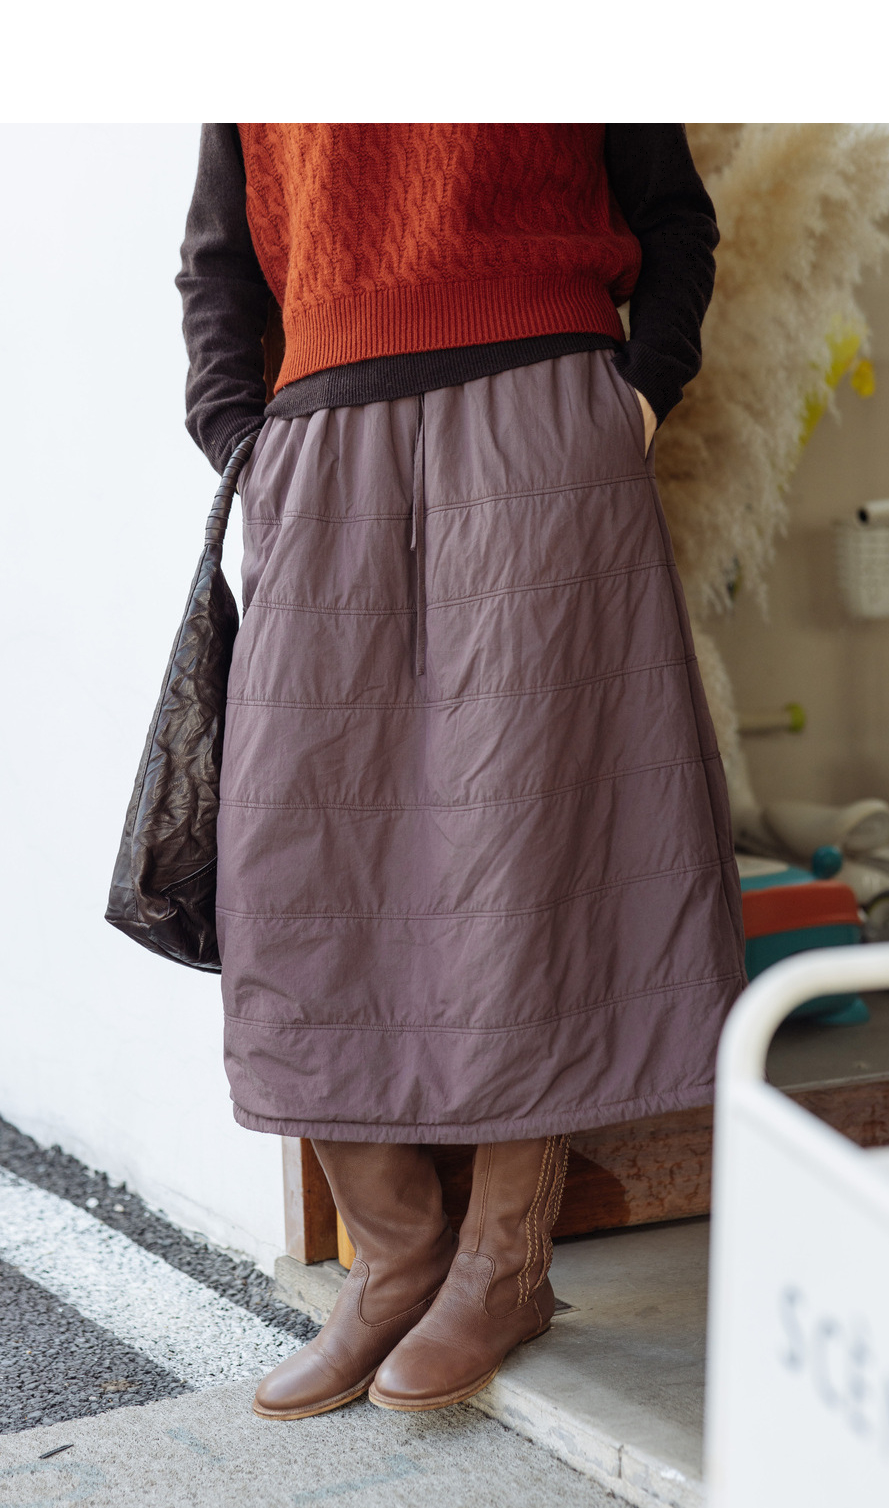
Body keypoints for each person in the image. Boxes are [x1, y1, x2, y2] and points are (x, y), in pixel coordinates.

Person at [176, 123, 746, 1420]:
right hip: (320, 443)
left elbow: (673, 217)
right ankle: (396, 1255)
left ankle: (503, 1261)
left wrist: (635, 396)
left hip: (543, 426)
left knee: (529, 850)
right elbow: (219, 258)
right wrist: (238, 438)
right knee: (292, 865)